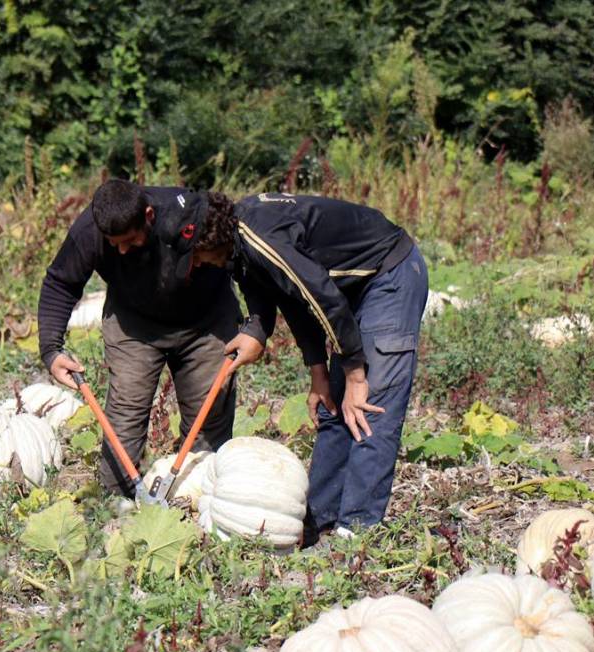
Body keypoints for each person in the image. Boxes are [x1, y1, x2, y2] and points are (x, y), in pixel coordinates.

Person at [179, 191, 428, 541]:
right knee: (334, 408)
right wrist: (320, 376)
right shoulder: (239, 250)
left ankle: (357, 532)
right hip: (349, 290)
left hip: (389, 275)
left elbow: (321, 297)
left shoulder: (262, 239)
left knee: (369, 405)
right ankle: (318, 522)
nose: (199, 264)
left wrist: (356, 375)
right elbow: (294, 302)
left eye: (198, 256)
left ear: (211, 239)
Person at [37, 179, 242, 496]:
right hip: (134, 325)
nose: (121, 249)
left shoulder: (189, 216)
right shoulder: (89, 231)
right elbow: (61, 283)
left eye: (129, 240)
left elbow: (242, 260)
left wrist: (254, 326)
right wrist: (51, 350)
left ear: (148, 215)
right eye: (113, 243)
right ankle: (116, 504)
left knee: (209, 417)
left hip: (207, 321)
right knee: (124, 417)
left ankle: (199, 500)